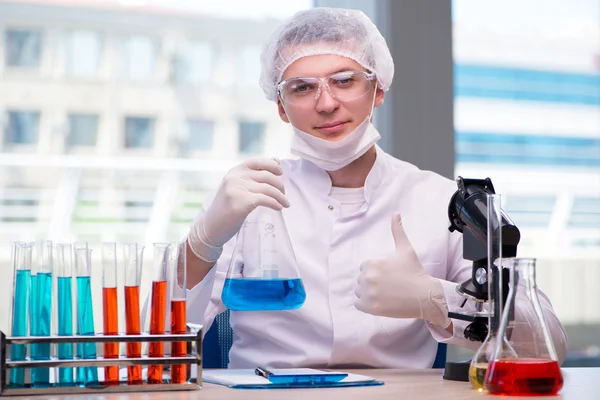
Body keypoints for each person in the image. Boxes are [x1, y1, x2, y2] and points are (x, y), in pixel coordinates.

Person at [184, 7, 568, 369]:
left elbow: (548, 342)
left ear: (378, 90)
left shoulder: (438, 201)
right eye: (301, 88)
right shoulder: (250, 196)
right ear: (281, 107)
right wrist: (202, 242)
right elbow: (153, 337)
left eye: (344, 81)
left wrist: (437, 298)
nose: (326, 103)